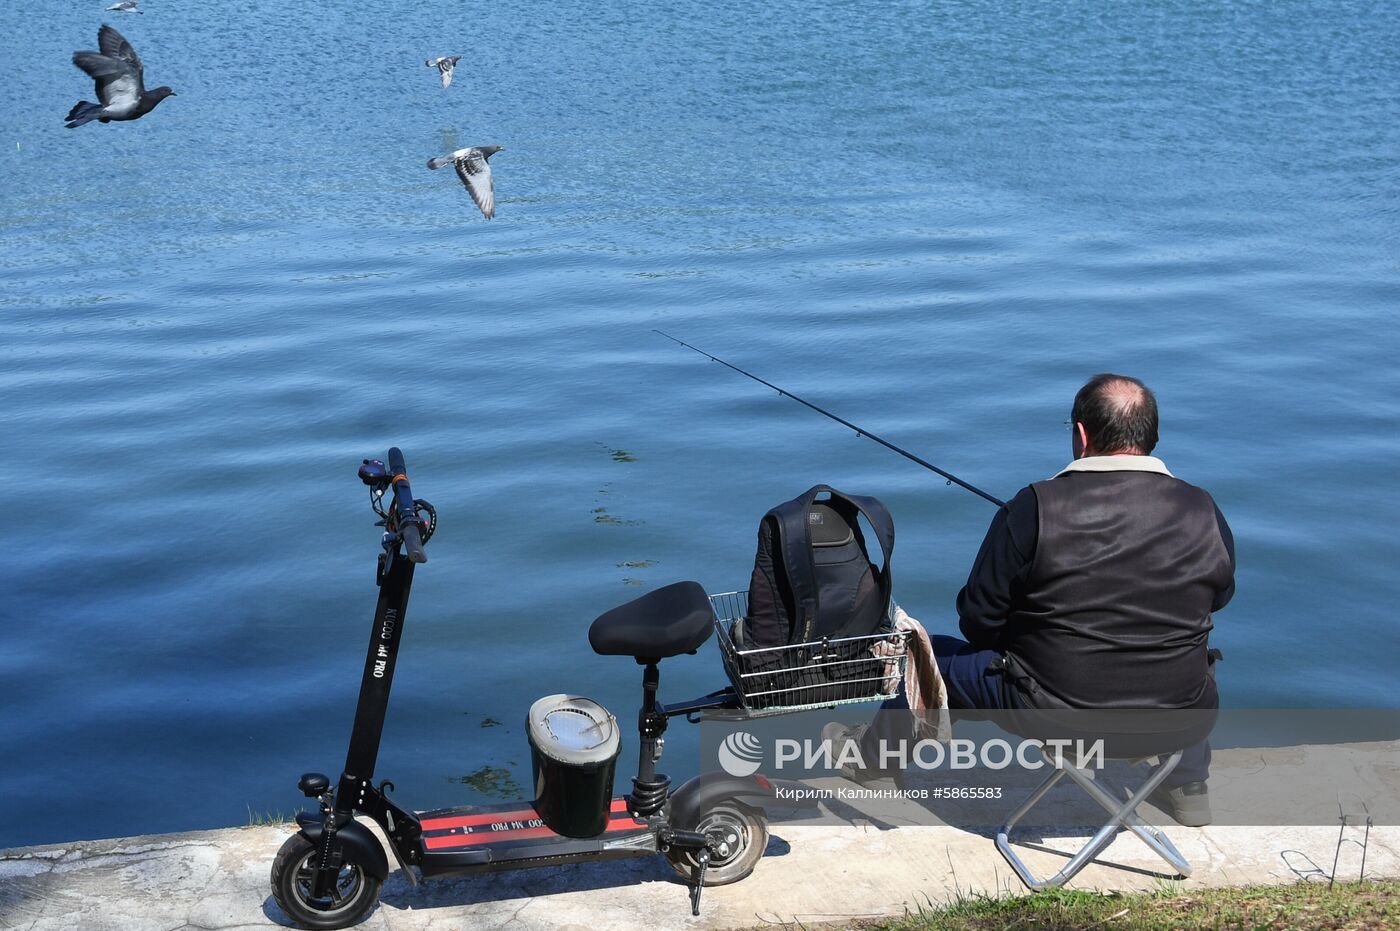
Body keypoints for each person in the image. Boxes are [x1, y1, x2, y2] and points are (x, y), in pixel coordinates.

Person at [838, 373, 1234, 825]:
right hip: (1181, 717)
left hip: (1057, 717)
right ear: (1153, 436)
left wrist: (1028, 638)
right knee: (1189, 652)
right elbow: (1218, 597)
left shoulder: (1033, 507)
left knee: (927, 655)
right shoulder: (1203, 508)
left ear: (1081, 434)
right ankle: (1187, 784)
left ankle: (872, 759)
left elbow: (978, 618)